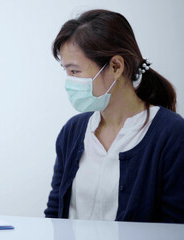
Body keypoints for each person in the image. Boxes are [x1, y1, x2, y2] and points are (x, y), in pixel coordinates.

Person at [45, 9, 184, 223]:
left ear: (115, 66)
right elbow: (54, 215)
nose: (69, 82)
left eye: (74, 72)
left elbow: (175, 227)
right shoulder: (73, 131)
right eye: (66, 71)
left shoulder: (171, 134)